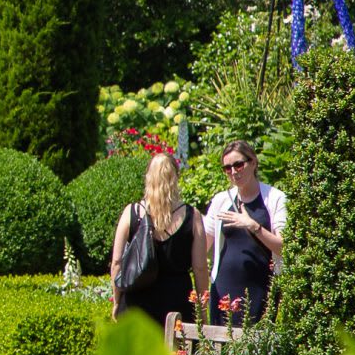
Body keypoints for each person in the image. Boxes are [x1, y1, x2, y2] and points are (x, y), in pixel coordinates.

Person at [110, 151, 207, 327]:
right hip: (176, 304)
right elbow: (200, 268)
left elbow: (117, 262)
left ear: (148, 177)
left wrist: (117, 301)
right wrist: (202, 310)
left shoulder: (131, 212)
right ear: (176, 178)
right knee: (176, 354)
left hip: (135, 303)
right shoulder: (192, 216)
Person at [203, 140, 286, 328]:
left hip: (261, 287)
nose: (233, 172)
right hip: (224, 287)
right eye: (227, 168)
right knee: (221, 350)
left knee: (255, 349)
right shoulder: (221, 200)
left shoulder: (274, 198)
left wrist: (253, 226)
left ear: (253, 162)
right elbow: (203, 245)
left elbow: (283, 247)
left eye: (238, 164)